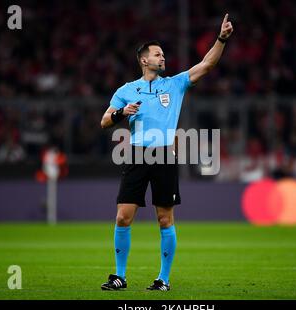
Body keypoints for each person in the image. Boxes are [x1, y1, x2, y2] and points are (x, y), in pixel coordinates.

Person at [99, 14, 233, 291]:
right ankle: (119, 276)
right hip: (136, 154)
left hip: (164, 156)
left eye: (163, 55)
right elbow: (104, 121)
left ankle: (163, 279)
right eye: (158, 55)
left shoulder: (174, 84)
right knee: (123, 216)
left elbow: (207, 64)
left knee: (164, 218)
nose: (163, 58)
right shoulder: (126, 90)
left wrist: (221, 38)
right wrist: (122, 112)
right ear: (144, 60)